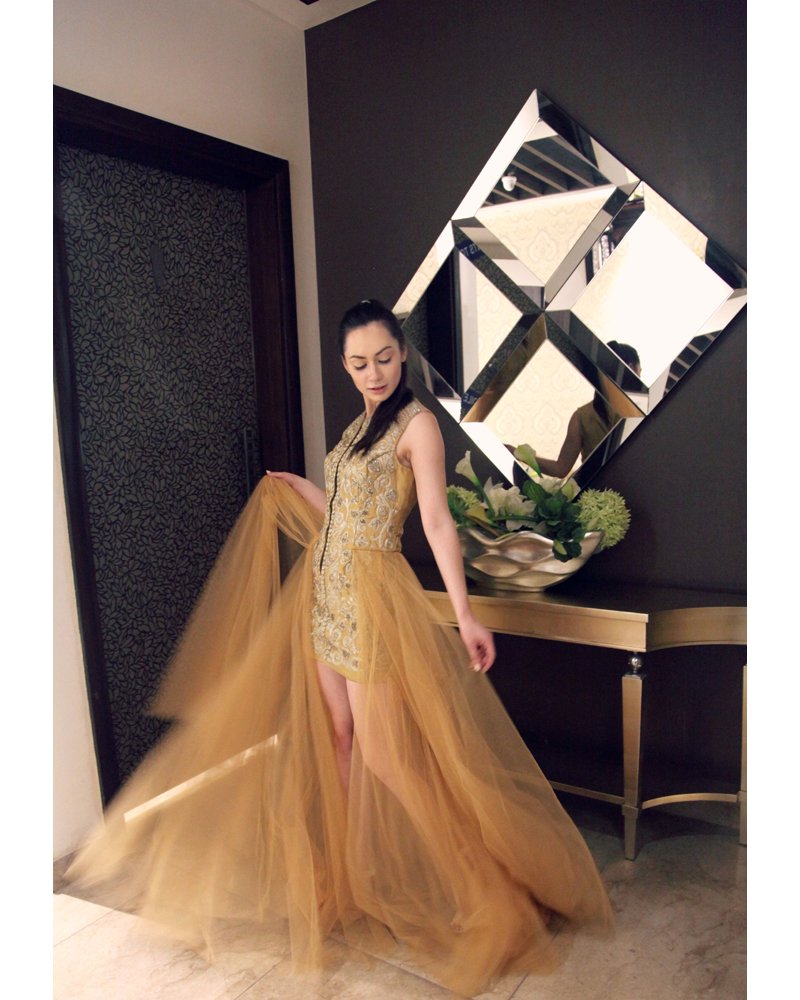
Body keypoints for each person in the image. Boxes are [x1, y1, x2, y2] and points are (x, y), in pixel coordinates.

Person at [67, 299, 613, 996]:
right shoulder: (359, 426)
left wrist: (465, 614)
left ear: (402, 353)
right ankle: (362, 876)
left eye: (383, 357)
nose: (373, 372)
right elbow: (348, 515)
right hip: (323, 596)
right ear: (344, 364)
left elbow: (435, 524)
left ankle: (484, 891)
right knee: (341, 741)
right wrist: (304, 489)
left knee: (390, 757)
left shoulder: (418, 426)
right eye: (358, 363)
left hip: (371, 601)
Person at [532, 341, 641, 479]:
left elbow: (560, 469)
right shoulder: (640, 413)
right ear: (630, 368)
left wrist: (523, 455)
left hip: (596, 488)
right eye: (640, 371)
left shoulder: (580, 417)